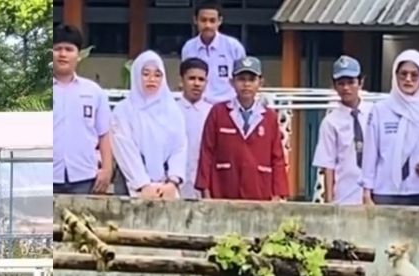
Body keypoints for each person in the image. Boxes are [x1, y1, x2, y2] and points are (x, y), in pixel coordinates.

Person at [194, 56, 289, 201]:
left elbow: (277, 158)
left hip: (259, 190)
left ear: (260, 83)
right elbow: (206, 152)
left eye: (251, 79)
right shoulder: (218, 112)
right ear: (232, 82)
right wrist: (205, 189)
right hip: (223, 188)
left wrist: (277, 194)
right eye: (241, 79)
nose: (246, 84)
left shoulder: (269, 117)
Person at [359, 50, 419, 207]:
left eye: (414, 75)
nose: (408, 79)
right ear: (395, 75)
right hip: (385, 190)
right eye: (403, 74)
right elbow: (370, 153)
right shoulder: (380, 110)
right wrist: (366, 191)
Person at [111, 50, 188, 200]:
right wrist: (143, 184)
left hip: (166, 189)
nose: (151, 79)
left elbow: (179, 148)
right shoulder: (123, 110)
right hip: (131, 184)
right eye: (145, 74)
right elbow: (125, 149)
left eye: (157, 75)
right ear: (136, 75)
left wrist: (172, 182)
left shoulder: (173, 111)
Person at [53, 24, 113, 195]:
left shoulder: (94, 92)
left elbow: (104, 134)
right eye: (57, 49)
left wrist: (107, 169)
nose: (63, 54)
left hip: (85, 177)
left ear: (78, 55)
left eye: (69, 49)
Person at [312, 55, 370, 206]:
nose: (346, 88)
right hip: (344, 195)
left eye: (351, 82)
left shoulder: (374, 114)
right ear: (334, 86)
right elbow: (328, 164)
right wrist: (329, 201)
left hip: (373, 195)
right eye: (341, 83)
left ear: (361, 82)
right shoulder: (331, 121)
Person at [180, 0, 246, 106]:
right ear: (195, 20)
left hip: (228, 105)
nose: (208, 25)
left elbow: (243, 79)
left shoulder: (233, 47)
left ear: (220, 21)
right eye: (203, 20)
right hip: (198, 105)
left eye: (212, 20)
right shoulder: (188, 48)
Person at [176, 58, 213, 200]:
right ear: (182, 81)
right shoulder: (171, 111)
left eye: (201, 79)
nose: (197, 83)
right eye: (191, 78)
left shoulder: (213, 113)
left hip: (204, 184)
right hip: (175, 183)